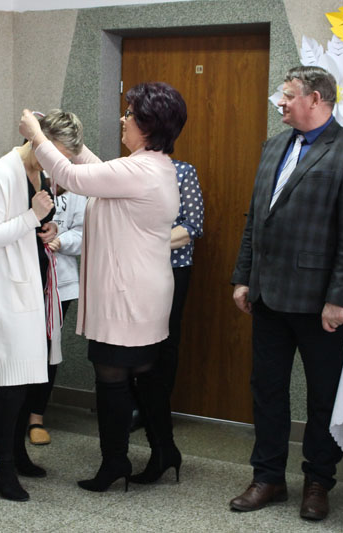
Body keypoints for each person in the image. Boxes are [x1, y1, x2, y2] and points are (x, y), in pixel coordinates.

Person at [19, 81, 187, 493]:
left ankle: (115, 463)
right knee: (144, 375)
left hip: (126, 291)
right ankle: (164, 451)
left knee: (112, 375)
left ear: (148, 124)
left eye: (130, 114)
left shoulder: (139, 170)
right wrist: (68, 144)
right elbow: (94, 170)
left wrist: (36, 136)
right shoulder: (153, 165)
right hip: (142, 288)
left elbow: (72, 176)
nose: (123, 120)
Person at [230, 65, 343, 520]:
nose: (280, 101)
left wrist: (339, 298)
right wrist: (244, 276)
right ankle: (268, 477)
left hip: (321, 304)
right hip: (268, 295)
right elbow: (257, 218)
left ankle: (318, 481)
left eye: (289, 94)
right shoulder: (274, 146)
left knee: (323, 396)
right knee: (267, 390)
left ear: (316, 99)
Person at [0, 109, 82, 501]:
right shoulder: (1, 174)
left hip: (36, 286)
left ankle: (16, 453)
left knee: (30, 378)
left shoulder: (40, 173)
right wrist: (31, 216)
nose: (60, 165)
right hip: (8, 290)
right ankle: (0, 464)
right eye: (58, 155)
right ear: (41, 141)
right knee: (11, 380)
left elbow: (30, 225)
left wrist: (46, 225)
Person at [128, 158, 203, 484]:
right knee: (134, 346)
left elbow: (192, 226)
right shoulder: (126, 170)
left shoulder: (182, 172)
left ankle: (158, 423)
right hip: (133, 270)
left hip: (171, 269)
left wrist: (145, 241)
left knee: (164, 346)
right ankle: (143, 413)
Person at [26, 184, 86, 446]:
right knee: (22, 348)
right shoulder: (23, 179)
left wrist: (59, 239)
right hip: (23, 279)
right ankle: (14, 411)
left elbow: (83, 233)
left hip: (59, 282)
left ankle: (36, 417)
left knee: (49, 348)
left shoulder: (75, 188)